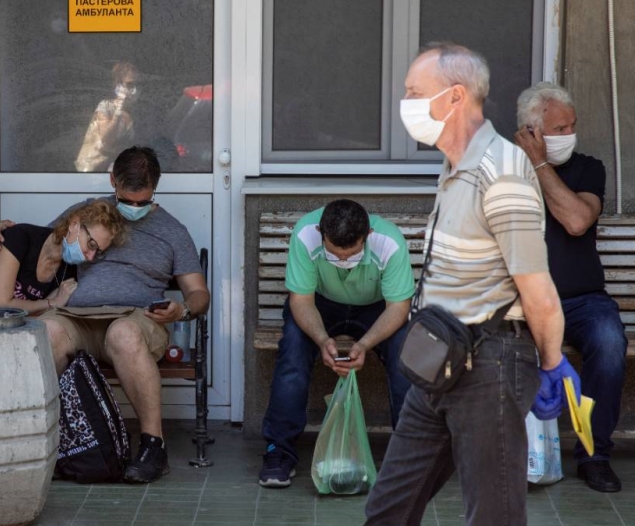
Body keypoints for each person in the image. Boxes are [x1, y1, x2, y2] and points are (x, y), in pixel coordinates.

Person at [364, 43, 580, 525]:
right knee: (388, 510)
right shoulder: (454, 165)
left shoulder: (500, 171)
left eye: (414, 92)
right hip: (439, 359)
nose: (406, 103)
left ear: (454, 97)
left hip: (491, 365)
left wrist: (552, 361)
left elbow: (537, 287)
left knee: (493, 516)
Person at [0, 146, 210, 483]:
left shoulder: (172, 231)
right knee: (46, 332)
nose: (135, 208)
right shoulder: (88, 212)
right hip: (77, 318)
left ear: (155, 189)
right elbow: (43, 243)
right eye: (128, 199)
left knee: (123, 334)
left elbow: (199, 293)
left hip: (136, 320)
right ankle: (33, 439)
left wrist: (182, 308)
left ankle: (154, 447)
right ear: (113, 181)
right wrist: (3, 230)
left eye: (143, 200)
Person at [514, 82, 627, 493]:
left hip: (581, 301)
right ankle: (501, 452)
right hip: (518, 302)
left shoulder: (588, 168)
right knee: (480, 341)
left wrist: (541, 167)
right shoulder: (503, 169)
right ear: (531, 132)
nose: (569, 134)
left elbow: (578, 220)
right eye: (559, 128)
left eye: (571, 125)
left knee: (609, 343)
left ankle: (593, 454)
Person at [259, 199, 414, 488]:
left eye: (351, 254)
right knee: (293, 347)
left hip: (377, 306)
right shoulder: (305, 234)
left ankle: (411, 454)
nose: (343, 261)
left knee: (405, 351)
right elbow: (301, 301)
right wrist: (321, 340)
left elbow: (398, 308)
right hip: (319, 303)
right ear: (320, 232)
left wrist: (365, 344)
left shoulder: (389, 241)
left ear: (367, 235)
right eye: (334, 254)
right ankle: (278, 451)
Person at [0, 199, 126, 314]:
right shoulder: (20, 237)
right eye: (91, 244)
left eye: (98, 252)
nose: (90, 256)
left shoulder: (69, 271)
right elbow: (0, 304)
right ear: (74, 225)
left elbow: (36, 314)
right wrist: (51, 302)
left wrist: (50, 304)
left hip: (3, 328)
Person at [74, 61, 139, 172]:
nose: (135, 89)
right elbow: (105, 139)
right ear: (118, 86)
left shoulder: (136, 114)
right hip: (91, 170)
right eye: (130, 84)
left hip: (114, 171)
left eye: (138, 84)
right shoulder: (106, 106)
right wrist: (118, 110)